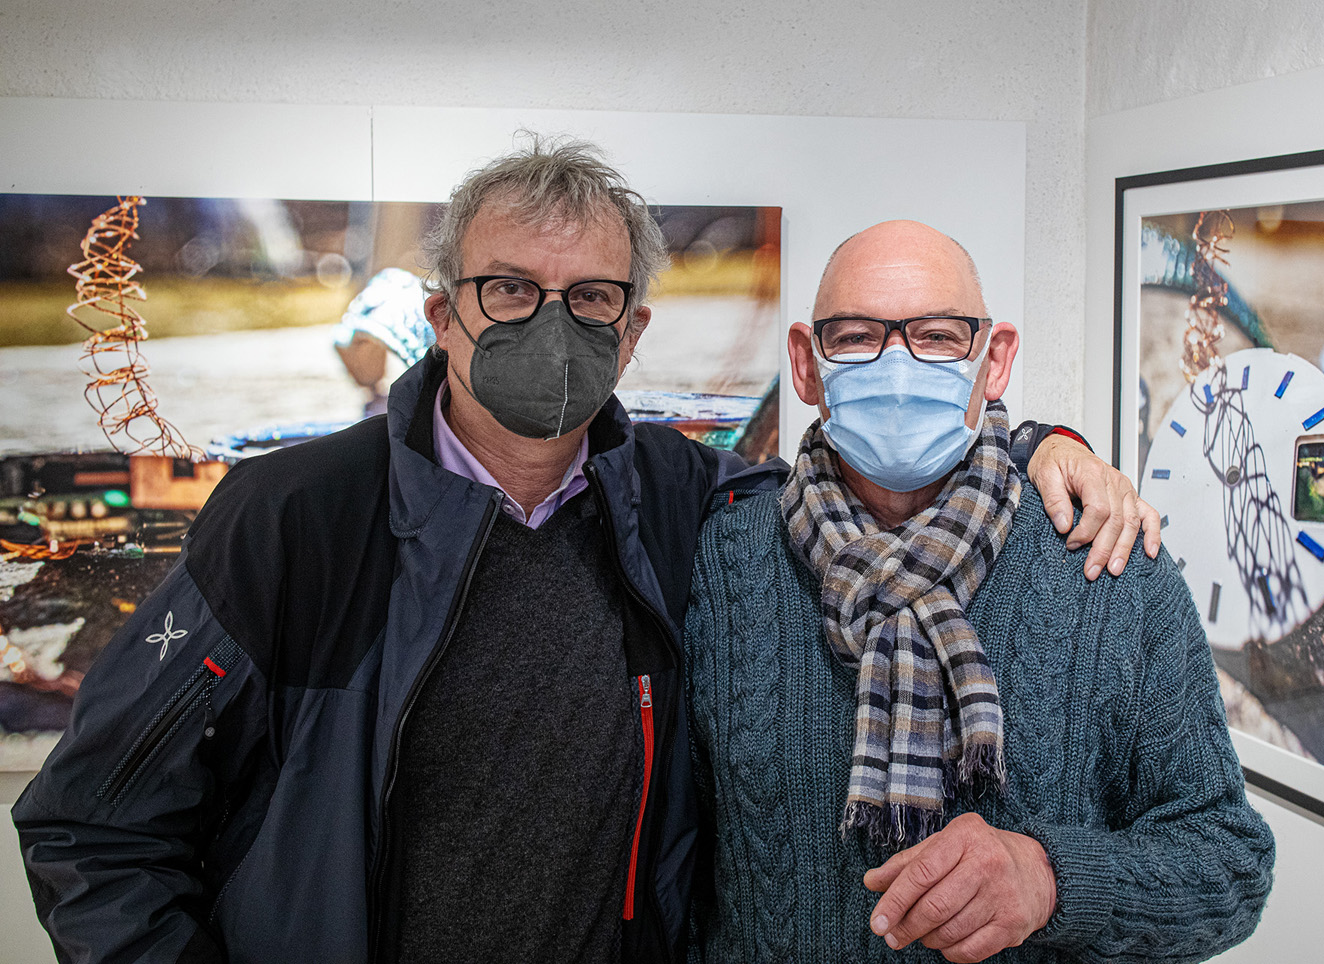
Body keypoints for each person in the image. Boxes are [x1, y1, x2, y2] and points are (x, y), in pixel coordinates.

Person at [14, 140, 1155, 964]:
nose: (548, 324)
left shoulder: (679, 501)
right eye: (509, 289)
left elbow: (859, 483)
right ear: (442, 314)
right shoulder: (294, 516)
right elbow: (92, 823)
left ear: (632, 330)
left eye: (591, 297)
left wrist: (1041, 444)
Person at [684, 220, 1276, 963]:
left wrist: (1052, 880)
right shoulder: (727, 563)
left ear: (993, 361)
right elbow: (676, 859)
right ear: (806, 363)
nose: (897, 367)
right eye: (857, 337)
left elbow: (1230, 861)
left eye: (937, 337)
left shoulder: (1109, 567)